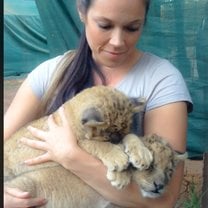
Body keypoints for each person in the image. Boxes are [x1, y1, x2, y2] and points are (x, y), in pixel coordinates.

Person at [4, 0, 193, 207]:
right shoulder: (50, 73)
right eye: (105, 25)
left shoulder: (161, 80)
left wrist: (71, 156)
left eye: (132, 27)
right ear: (81, 12)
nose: (117, 41)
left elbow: (163, 201)